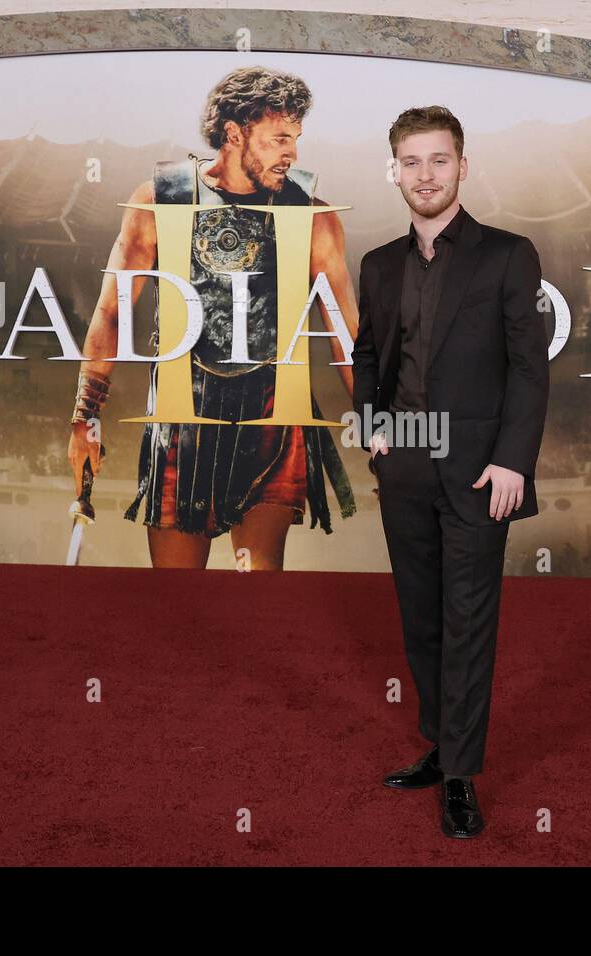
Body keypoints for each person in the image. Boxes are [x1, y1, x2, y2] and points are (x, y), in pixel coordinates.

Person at [67, 66, 359, 570]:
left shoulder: (312, 214)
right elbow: (112, 312)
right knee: (179, 603)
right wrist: (85, 415)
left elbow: (347, 336)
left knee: (259, 588)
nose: (293, 153)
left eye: (296, 139)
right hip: (183, 417)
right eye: (279, 139)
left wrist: (379, 426)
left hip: (272, 415)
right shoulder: (160, 199)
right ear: (234, 134)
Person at [351, 106, 549, 838]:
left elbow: (530, 368)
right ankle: (441, 744)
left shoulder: (508, 254)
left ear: (463, 166)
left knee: (467, 621)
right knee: (422, 617)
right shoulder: (377, 265)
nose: (425, 174)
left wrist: (511, 461)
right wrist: (371, 424)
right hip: (402, 467)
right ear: (394, 170)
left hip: (478, 472)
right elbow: (369, 353)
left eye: (439, 160)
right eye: (411, 161)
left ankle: (462, 775)